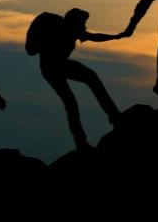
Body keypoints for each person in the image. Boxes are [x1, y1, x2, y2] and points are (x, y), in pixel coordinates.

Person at [28, 8, 125, 150]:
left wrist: (117, 37)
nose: (84, 26)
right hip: (53, 67)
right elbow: (93, 37)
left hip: (53, 67)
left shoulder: (71, 29)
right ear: (75, 21)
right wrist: (117, 36)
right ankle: (107, 121)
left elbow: (93, 36)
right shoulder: (63, 28)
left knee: (75, 98)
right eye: (83, 23)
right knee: (73, 100)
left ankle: (108, 120)